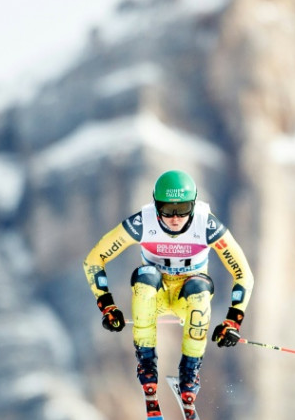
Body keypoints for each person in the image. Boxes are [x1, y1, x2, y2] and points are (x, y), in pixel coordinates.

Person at [82, 170, 254, 420]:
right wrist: (107, 305)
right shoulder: (143, 222)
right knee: (146, 278)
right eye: (167, 209)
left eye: (183, 209)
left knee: (199, 290)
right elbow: (94, 259)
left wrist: (233, 320)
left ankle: (189, 375)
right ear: (155, 204)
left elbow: (244, 274)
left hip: (188, 298)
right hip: (157, 295)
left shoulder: (206, 224)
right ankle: (147, 365)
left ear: (194, 204)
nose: (175, 218)